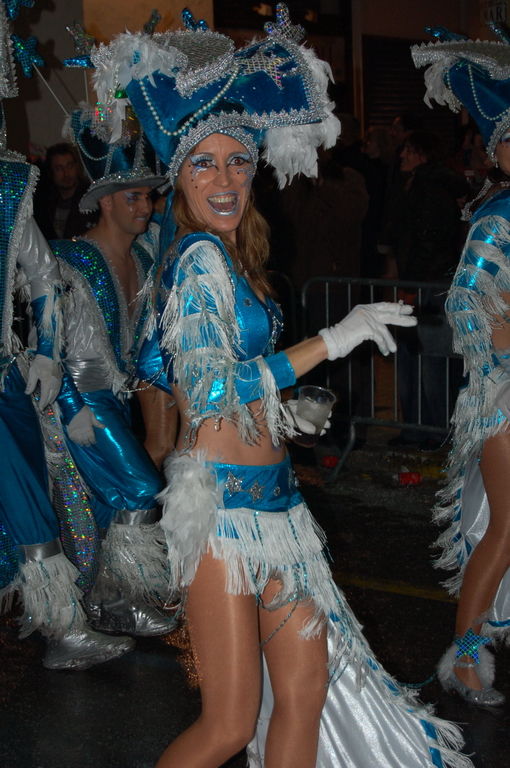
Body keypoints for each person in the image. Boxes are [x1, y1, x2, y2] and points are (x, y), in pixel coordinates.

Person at [91, 9, 474, 767]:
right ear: (178, 176)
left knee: (303, 692)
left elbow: (211, 382)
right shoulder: (199, 257)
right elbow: (213, 389)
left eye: (238, 162)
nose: (226, 180)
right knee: (230, 724)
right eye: (204, 163)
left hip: (279, 513)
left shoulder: (236, 263)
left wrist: (285, 409)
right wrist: (331, 340)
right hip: (226, 516)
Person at [0, 0, 133, 669]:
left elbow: (43, 279)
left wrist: (48, 351)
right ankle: (61, 629)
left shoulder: (7, 191)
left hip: (3, 380)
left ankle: (60, 625)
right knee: (22, 509)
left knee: (27, 505)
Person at [49, 108, 176, 638]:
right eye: (133, 197)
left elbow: (174, 224)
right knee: (142, 487)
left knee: (95, 509)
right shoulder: (70, 260)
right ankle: (125, 598)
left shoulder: (144, 261)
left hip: (115, 400)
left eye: (149, 195)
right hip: (77, 400)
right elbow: (45, 344)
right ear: (104, 201)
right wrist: (70, 410)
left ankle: (104, 604)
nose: (145, 206)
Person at [413, 23, 510, 707]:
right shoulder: (499, 216)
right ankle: (465, 656)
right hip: (507, 397)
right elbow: (464, 301)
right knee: (507, 527)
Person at [387, 129, 468, 450]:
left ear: (424, 152)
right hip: (421, 282)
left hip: (430, 284)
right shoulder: (416, 184)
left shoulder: (430, 188)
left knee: (431, 361)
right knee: (412, 357)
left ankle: (436, 431)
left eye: (409, 149)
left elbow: (427, 240)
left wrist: (410, 285)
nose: (402, 155)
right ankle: (418, 430)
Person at [33, 142, 98, 240]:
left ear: (77, 166)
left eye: (70, 166)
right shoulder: (44, 201)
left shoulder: (92, 198)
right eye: (59, 168)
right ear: (51, 172)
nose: (66, 173)